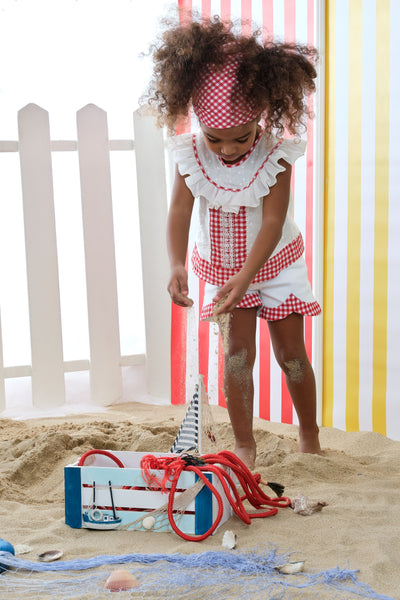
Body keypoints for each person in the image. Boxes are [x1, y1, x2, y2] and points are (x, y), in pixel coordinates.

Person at [144, 16, 322, 469]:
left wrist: (250, 278)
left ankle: (309, 435)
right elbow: (180, 211)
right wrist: (177, 263)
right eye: (215, 139)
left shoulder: (275, 156)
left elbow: (272, 222)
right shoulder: (191, 154)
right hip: (225, 269)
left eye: (240, 138)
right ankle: (244, 442)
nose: (227, 150)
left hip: (275, 264)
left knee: (291, 355)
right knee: (238, 355)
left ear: (260, 116)